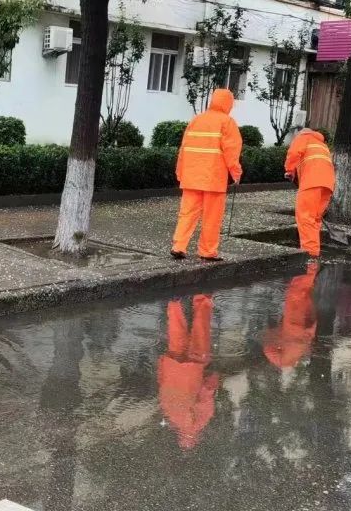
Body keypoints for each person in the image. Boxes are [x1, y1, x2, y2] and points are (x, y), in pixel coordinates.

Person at [171, 88, 243, 261]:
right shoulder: (227, 122)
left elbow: (184, 149)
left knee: (187, 213)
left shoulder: (196, 120)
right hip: (213, 179)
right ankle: (207, 251)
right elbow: (231, 152)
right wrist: (236, 173)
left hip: (191, 177)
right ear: (228, 104)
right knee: (212, 216)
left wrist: (180, 172)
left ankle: (179, 246)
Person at [158, 294, 220, 450]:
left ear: (196, 439)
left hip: (194, 369)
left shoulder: (197, 423)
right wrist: (162, 365)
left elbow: (205, 396)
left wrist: (213, 378)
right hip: (173, 367)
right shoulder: (171, 415)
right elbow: (162, 386)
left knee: (200, 331)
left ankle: (203, 298)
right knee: (176, 336)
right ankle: (174, 303)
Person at [284, 127, 335, 258]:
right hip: (327, 185)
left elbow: (294, 153)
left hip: (311, 183)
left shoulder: (302, 138)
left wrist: (289, 171)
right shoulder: (322, 144)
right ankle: (314, 252)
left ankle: (309, 254)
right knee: (314, 219)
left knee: (305, 218)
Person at [263, 263, 318, 370]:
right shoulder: (282, 361)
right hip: (294, 321)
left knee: (304, 291)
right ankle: (310, 262)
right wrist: (277, 332)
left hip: (303, 323)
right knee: (297, 291)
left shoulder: (299, 352)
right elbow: (268, 348)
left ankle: (311, 264)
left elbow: (311, 331)